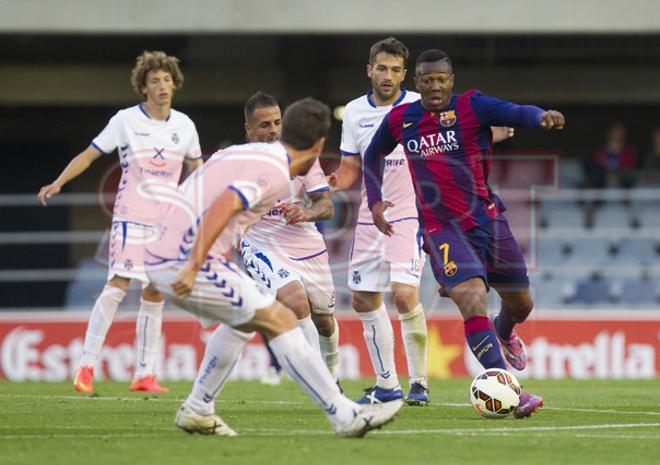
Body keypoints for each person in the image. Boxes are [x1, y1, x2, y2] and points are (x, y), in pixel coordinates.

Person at [145, 97, 402, 437]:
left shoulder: (241, 154)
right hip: (185, 258)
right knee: (281, 318)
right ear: (319, 144)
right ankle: (344, 415)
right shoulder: (275, 170)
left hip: (164, 250)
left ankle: (198, 408)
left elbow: (199, 191)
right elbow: (228, 202)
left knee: (240, 323)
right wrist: (194, 262)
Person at [363, 49, 566, 418]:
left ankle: (503, 331)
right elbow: (372, 155)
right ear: (417, 82)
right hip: (442, 229)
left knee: (522, 303)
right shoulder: (401, 119)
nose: (435, 86)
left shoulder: (472, 107)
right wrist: (375, 200)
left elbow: (516, 112)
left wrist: (541, 117)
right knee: (472, 298)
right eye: (428, 80)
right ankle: (509, 390)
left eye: (441, 79)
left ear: (451, 81)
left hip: (488, 220)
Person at [328, 37, 511, 406]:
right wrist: (327, 184)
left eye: (396, 70)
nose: (388, 75)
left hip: (413, 214)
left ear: (404, 74)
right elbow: (351, 168)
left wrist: (489, 132)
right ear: (370, 70)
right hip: (370, 216)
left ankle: (419, 383)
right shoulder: (353, 113)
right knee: (363, 301)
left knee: (403, 293)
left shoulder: (419, 104)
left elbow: (456, 134)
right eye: (382, 68)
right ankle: (386, 385)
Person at [37, 51, 203, 393]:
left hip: (166, 223)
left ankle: (144, 374)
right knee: (117, 285)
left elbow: (198, 171)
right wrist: (59, 182)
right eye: (154, 81)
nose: (162, 86)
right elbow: (90, 153)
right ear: (143, 87)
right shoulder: (125, 120)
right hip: (131, 216)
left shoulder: (185, 126)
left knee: (155, 292)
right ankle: (85, 366)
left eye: (167, 80)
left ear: (175, 84)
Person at [240, 92, 341, 384]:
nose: (272, 130)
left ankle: (332, 377)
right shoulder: (239, 162)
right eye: (264, 125)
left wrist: (305, 213)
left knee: (324, 320)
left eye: (277, 122)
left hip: (304, 243)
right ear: (249, 129)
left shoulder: (304, 157)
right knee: (297, 303)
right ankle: (322, 385)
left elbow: (326, 205)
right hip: (260, 244)